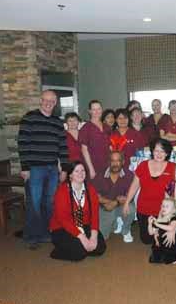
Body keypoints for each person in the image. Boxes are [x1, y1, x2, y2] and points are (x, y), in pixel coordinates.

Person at [17, 90, 69, 250]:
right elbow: (22, 143)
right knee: (34, 202)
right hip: (34, 169)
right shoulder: (29, 118)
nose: (49, 103)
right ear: (41, 100)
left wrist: (64, 169)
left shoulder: (57, 122)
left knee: (49, 202)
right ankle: (32, 236)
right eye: (46, 100)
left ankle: (46, 233)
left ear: (55, 103)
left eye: (52, 101)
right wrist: (25, 168)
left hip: (52, 169)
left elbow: (63, 147)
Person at [49, 161, 106, 261]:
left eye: (83, 170)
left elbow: (95, 215)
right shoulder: (62, 191)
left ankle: (78, 248)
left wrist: (93, 236)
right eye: (77, 171)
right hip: (62, 228)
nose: (81, 173)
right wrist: (82, 237)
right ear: (70, 175)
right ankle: (57, 252)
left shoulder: (90, 190)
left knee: (100, 248)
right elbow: (63, 219)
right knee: (79, 253)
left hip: (83, 225)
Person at [123, 138, 176, 245]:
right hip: (144, 210)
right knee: (147, 240)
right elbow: (134, 185)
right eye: (156, 151)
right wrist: (127, 202)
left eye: (162, 151)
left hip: (163, 211)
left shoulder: (173, 167)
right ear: (152, 151)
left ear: (167, 153)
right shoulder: (143, 165)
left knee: (162, 239)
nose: (159, 154)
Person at [94, 151, 136, 243]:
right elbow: (95, 196)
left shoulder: (129, 175)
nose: (115, 164)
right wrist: (106, 202)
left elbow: (129, 197)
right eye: (112, 161)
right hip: (105, 207)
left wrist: (115, 203)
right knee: (102, 237)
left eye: (118, 161)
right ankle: (116, 224)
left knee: (131, 209)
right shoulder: (100, 175)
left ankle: (125, 230)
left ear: (123, 162)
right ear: (108, 162)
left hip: (121, 206)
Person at [79, 100, 111, 180]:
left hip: (107, 165)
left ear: (102, 110)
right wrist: (91, 169)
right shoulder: (86, 128)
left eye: (99, 109)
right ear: (90, 111)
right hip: (93, 165)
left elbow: (110, 147)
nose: (97, 112)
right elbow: (84, 150)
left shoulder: (107, 127)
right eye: (94, 109)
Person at [148, 198, 176, 264]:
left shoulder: (173, 217)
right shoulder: (159, 219)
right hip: (159, 242)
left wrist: (157, 224)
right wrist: (150, 224)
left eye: (167, 206)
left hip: (170, 241)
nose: (164, 208)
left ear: (173, 209)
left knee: (171, 255)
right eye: (163, 206)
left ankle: (175, 256)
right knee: (156, 258)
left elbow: (171, 228)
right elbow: (151, 233)